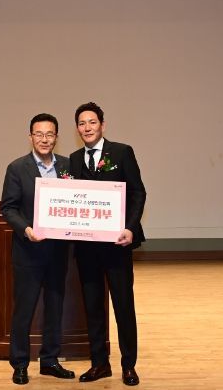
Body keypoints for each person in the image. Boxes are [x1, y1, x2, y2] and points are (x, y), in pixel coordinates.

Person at [69, 102, 146, 386]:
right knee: (92, 308)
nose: (87, 127)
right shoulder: (73, 159)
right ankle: (100, 363)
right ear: (77, 129)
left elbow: (138, 192)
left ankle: (129, 365)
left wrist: (130, 227)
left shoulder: (122, 152)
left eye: (92, 122)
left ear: (102, 124)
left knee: (123, 306)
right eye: (81, 123)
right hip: (87, 248)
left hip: (117, 244)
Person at [0, 113, 76, 385]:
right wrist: (26, 229)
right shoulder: (16, 168)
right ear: (30, 136)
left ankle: (50, 361)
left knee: (55, 307)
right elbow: (8, 208)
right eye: (39, 134)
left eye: (50, 134)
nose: (44, 139)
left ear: (57, 137)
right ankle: (20, 364)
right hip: (28, 252)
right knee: (24, 310)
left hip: (58, 251)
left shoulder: (68, 166)